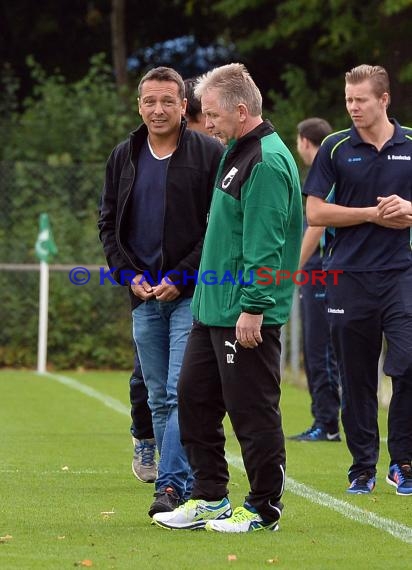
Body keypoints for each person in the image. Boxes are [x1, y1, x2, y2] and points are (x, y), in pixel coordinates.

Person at [153, 63, 303, 532]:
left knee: (252, 411)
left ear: (241, 110)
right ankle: (211, 497)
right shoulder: (236, 151)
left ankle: (263, 508)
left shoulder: (267, 160)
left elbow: (267, 243)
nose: (206, 122)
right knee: (193, 399)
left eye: (213, 114)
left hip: (245, 313)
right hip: (211, 309)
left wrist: (254, 307)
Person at [98, 66, 223, 516]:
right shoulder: (124, 155)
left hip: (190, 294)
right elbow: (108, 222)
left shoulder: (209, 154)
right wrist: (127, 274)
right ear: (139, 105)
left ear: (183, 105)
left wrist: (182, 276)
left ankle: (171, 487)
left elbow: (218, 228)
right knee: (155, 396)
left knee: (178, 391)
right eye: (149, 101)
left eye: (167, 101)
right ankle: (178, 479)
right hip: (143, 295)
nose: (157, 109)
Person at [304, 64, 412, 495]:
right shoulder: (334, 147)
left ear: (384, 100)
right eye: (348, 100)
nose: (352, 107)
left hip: (402, 275)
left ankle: (402, 462)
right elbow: (315, 213)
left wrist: (407, 211)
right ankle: (362, 466)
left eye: (360, 99)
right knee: (358, 377)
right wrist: (371, 213)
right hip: (347, 277)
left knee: (408, 365)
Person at [288, 117, 341, 442]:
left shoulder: (328, 171)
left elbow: (318, 225)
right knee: (325, 348)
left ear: (305, 141)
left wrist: (292, 269)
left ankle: (327, 423)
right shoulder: (334, 167)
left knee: (319, 347)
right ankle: (328, 419)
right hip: (325, 269)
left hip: (322, 270)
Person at [129, 341, 157, 483]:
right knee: (143, 383)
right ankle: (145, 438)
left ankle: (175, 463)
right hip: (150, 319)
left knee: (180, 385)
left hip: (185, 320)